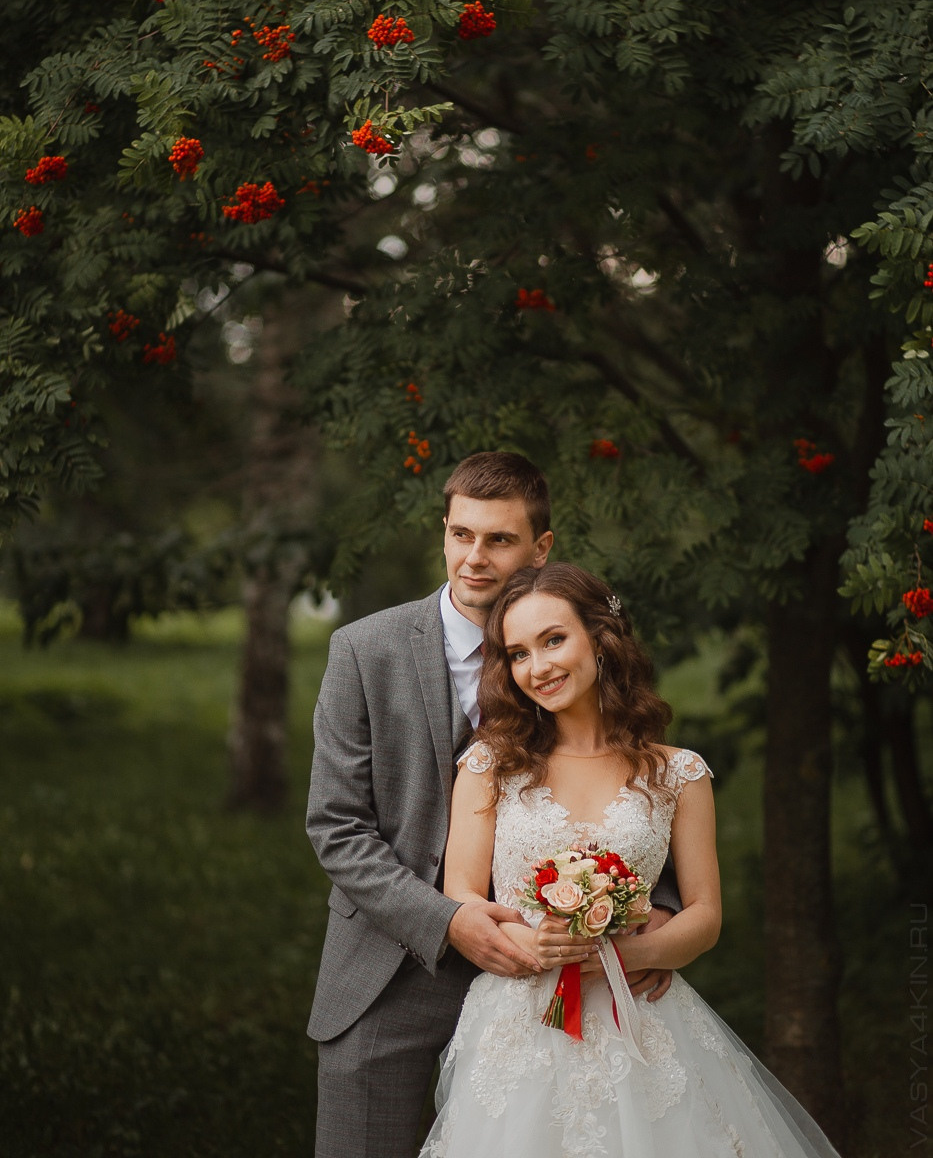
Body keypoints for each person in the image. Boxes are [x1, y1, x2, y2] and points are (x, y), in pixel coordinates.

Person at [306, 454, 680, 1158]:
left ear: (541, 547)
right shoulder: (364, 651)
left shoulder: (568, 651)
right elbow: (335, 825)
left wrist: (651, 904)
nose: (473, 559)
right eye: (459, 535)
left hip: (560, 978)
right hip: (391, 968)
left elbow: (631, 780)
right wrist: (448, 921)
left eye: (499, 540)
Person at [420, 561, 843, 1158]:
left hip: (641, 1019)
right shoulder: (491, 765)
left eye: (553, 640)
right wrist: (527, 944)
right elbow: (461, 890)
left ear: (601, 637)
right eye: (517, 653)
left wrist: (628, 955)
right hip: (521, 1020)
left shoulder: (678, 772)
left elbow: (704, 914)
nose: (537, 667)